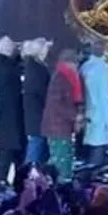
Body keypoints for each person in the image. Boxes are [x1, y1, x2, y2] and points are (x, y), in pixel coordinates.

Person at [0, 35, 25, 186]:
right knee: (7, 154)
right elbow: (13, 71)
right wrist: (20, 56)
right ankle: (3, 183)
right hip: (10, 117)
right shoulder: (2, 67)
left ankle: (3, 182)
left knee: (8, 153)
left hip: (7, 116)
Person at [42, 48, 84, 180]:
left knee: (62, 159)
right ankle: (61, 188)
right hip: (57, 128)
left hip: (60, 127)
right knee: (61, 162)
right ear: (69, 63)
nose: (77, 67)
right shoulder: (61, 78)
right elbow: (58, 105)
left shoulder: (65, 77)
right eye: (75, 63)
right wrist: (75, 116)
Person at [81, 41, 108, 166]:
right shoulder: (102, 68)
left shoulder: (84, 67)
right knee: (97, 154)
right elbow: (104, 96)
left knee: (86, 155)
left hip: (86, 114)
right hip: (100, 115)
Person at [22, 37, 52, 167]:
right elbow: (41, 90)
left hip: (36, 113)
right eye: (45, 49)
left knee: (37, 143)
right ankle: (29, 175)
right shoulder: (37, 69)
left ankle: (33, 174)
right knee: (36, 143)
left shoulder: (33, 67)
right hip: (37, 114)